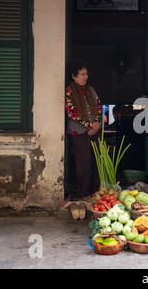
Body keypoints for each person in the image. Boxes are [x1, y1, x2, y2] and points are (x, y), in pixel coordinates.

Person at [65, 59, 103, 200]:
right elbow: (72, 113)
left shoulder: (90, 90)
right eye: (81, 74)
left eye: (86, 73)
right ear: (74, 76)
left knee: (98, 160)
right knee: (84, 163)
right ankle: (84, 192)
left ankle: (95, 191)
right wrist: (89, 125)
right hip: (79, 133)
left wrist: (97, 123)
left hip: (94, 130)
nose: (85, 77)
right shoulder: (69, 92)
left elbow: (99, 106)